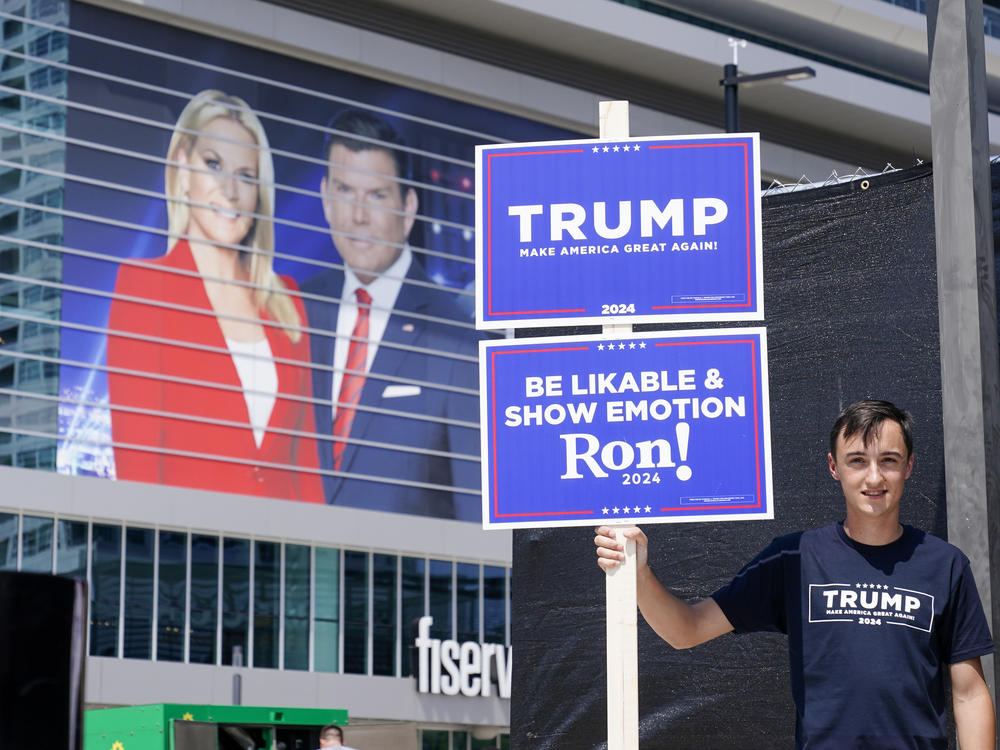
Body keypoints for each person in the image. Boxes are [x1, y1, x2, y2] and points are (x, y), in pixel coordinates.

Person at [595, 399, 996, 749]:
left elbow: (969, 693)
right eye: (857, 460)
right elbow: (686, 630)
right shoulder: (794, 557)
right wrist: (640, 575)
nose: (874, 477)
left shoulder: (945, 564)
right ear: (833, 467)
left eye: (888, 461)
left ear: (908, 466)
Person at [107, 89, 323, 502]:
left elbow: (305, 471)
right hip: (190, 558)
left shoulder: (287, 302)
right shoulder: (144, 289)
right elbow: (138, 472)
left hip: (280, 558)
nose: (230, 190)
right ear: (183, 169)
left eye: (246, 175)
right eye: (213, 165)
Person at [302, 108, 480, 520]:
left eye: (377, 195)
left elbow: (476, 519)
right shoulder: (296, 311)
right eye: (345, 191)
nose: (358, 215)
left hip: (401, 581)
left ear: (408, 207)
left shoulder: (458, 342)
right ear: (327, 199)